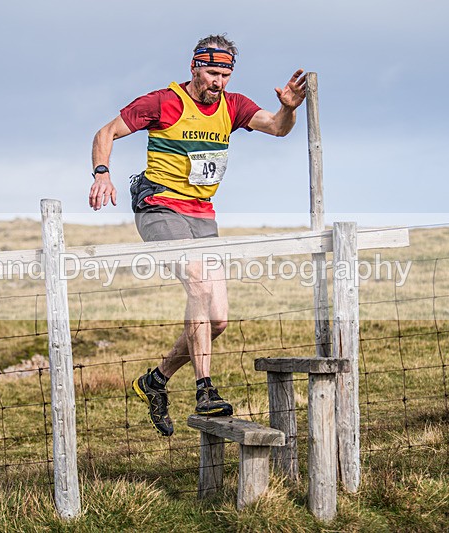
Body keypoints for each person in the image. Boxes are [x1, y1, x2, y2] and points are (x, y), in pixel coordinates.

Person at [89, 34, 307, 436]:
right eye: (211, 72)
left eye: (225, 74)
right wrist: (102, 173)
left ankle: (155, 380)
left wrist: (288, 109)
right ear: (193, 68)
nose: (218, 81)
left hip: (202, 215)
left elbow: (277, 128)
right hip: (159, 207)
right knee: (198, 282)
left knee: (219, 318)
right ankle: (205, 390)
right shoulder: (163, 102)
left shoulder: (233, 105)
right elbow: (105, 133)